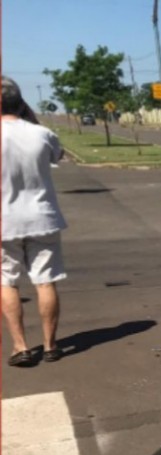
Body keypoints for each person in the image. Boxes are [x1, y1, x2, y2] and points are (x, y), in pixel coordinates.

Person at [1, 76, 67, 367]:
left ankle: (21, 346)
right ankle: (51, 345)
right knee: (45, 280)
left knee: (7, 281)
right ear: (21, 103)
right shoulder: (42, 133)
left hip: (5, 220)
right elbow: (57, 155)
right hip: (42, 217)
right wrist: (30, 118)